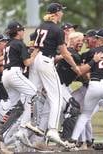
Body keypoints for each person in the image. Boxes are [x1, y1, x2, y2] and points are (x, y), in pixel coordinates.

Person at [27, 2, 81, 147]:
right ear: (57, 13)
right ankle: (52, 129)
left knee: (31, 93)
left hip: (36, 60)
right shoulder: (57, 30)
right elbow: (64, 53)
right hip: (46, 61)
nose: (62, 13)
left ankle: (23, 126)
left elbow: (36, 47)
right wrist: (75, 67)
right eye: (61, 11)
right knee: (56, 98)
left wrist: (31, 60)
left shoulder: (41, 26)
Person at [1, 21, 39, 149]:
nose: (23, 32)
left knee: (17, 108)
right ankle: (23, 128)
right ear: (18, 31)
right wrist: (35, 52)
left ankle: (1, 134)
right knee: (33, 92)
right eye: (22, 30)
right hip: (14, 73)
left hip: (6, 76)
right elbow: (27, 63)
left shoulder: (9, 44)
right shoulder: (19, 43)